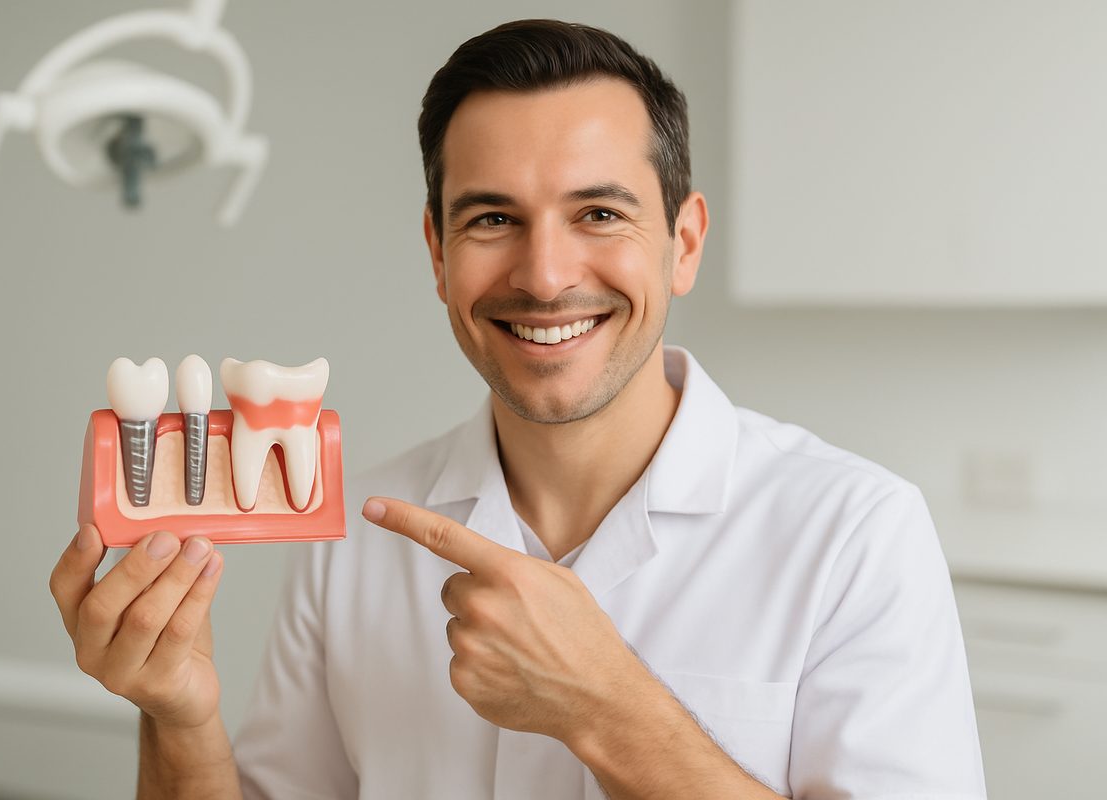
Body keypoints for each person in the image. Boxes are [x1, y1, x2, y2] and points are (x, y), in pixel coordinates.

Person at [50, 19, 987, 800]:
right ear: (437, 251)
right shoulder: (356, 541)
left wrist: (604, 707)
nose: (544, 277)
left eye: (601, 215)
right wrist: (178, 720)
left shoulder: (856, 534)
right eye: (492, 219)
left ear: (684, 242)